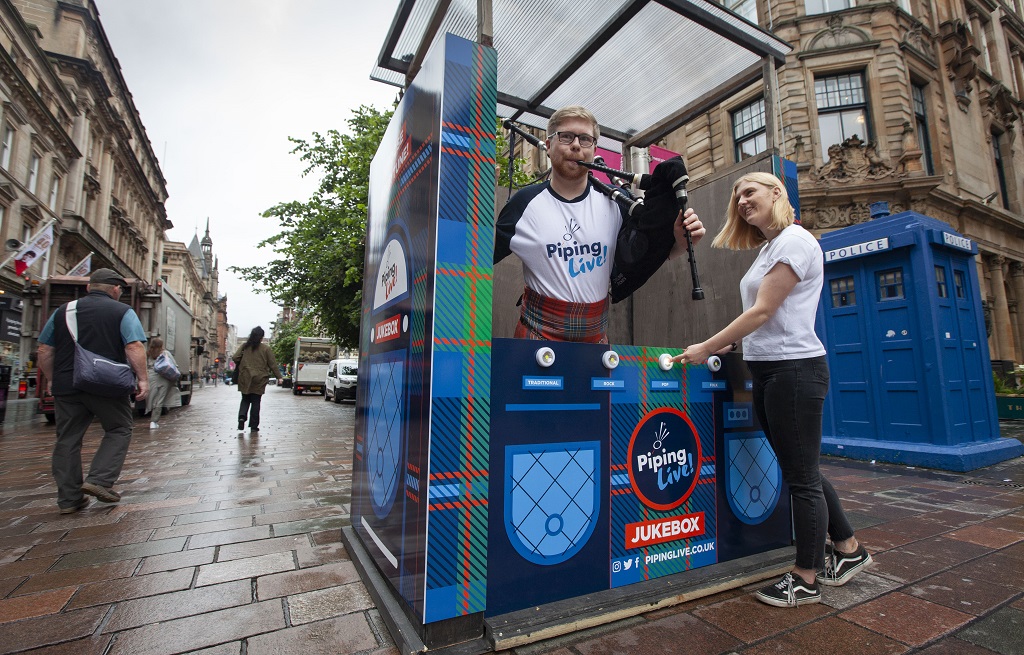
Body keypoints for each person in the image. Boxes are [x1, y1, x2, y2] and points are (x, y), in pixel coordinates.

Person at [673, 172, 871, 607]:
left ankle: (805, 579)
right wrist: (718, 347)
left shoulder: (796, 241)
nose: (742, 201)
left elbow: (763, 311)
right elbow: (759, 321)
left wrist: (706, 344)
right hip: (768, 370)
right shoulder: (769, 248)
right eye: (737, 196)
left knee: (801, 477)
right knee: (803, 468)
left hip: (794, 370)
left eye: (750, 191)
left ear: (777, 192)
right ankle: (849, 550)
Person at [494, 105, 705, 343]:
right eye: (565, 137)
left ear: (594, 149)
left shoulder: (615, 201)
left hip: (595, 337)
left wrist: (680, 242)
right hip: (536, 333)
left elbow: (645, 254)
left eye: (585, 139)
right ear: (549, 144)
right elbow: (479, 259)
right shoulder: (523, 204)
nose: (575, 145)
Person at [36, 268, 149, 514]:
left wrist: (52, 379)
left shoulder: (62, 311)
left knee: (67, 439)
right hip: (107, 384)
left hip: (68, 385)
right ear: (117, 290)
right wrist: (142, 379)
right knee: (119, 428)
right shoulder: (123, 311)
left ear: (89, 287)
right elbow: (134, 346)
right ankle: (99, 480)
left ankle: (69, 499)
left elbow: (44, 349)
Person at [232, 326, 282, 432]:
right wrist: (279, 377)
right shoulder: (266, 349)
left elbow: (235, 357)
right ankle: (254, 426)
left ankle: (241, 418)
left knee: (245, 399)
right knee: (256, 401)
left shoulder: (245, 346)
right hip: (259, 378)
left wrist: (243, 363)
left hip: (245, 376)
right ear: (261, 337)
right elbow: (272, 364)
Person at [146, 337, 181, 429]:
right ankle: (153, 421)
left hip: (150, 378)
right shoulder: (165, 353)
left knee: (152, 398)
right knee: (159, 400)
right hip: (163, 378)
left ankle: (151, 415)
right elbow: (174, 365)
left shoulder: (148, 354)